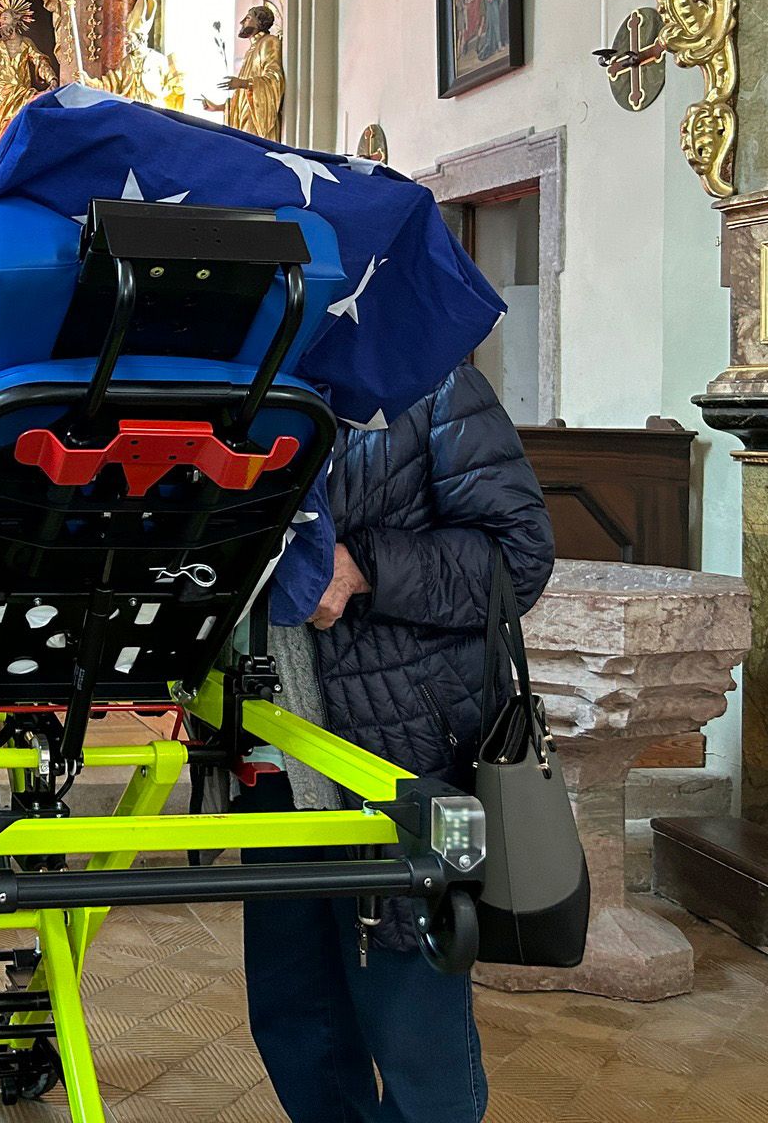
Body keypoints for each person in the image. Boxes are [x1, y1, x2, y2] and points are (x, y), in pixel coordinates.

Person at [234, 362, 554, 1123]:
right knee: (294, 1009)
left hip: (398, 747)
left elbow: (520, 556)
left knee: (412, 1027)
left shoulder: (429, 377)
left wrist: (366, 567)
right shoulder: (221, 380)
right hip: (268, 758)